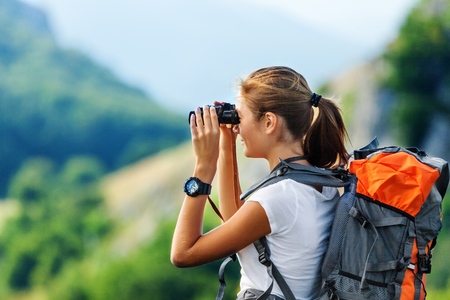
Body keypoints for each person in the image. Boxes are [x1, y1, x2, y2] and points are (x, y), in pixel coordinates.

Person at [171, 66, 349, 299]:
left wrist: (204, 167)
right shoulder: (321, 181)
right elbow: (235, 220)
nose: (238, 125)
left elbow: (183, 253)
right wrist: (226, 142)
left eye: (240, 117)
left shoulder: (278, 198)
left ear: (269, 122)